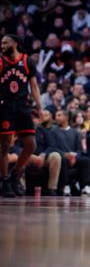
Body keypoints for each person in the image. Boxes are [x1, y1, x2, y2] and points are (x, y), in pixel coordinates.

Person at [0, 34, 43, 197]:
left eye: (5, 42)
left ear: (15, 43)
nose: (2, 45)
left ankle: (14, 175)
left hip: (23, 106)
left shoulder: (27, 61)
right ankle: (4, 181)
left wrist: (39, 107)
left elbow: (34, 86)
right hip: (5, 106)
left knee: (31, 145)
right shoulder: (0, 61)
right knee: (4, 145)